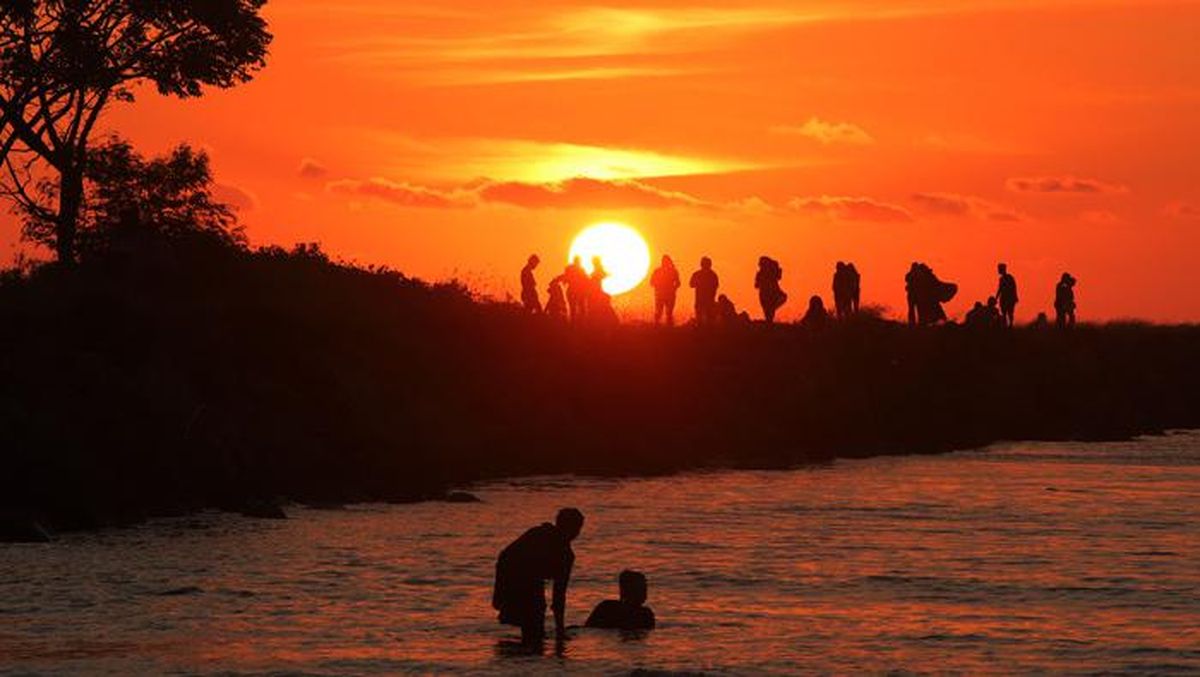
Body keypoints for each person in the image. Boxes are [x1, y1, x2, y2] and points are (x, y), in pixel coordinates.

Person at [493, 508, 585, 645]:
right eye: (576, 528)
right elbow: (505, 557)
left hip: (526, 584)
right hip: (521, 584)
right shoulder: (541, 537)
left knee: (532, 633)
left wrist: (560, 629)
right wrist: (499, 592)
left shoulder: (542, 537)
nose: (577, 533)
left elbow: (558, 596)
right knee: (533, 631)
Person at [584, 570, 656, 631]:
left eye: (644, 588)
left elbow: (588, 628)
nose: (645, 592)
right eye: (641, 588)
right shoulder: (644, 614)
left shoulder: (606, 606)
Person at [650, 255, 681, 326]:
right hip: (663, 294)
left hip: (667, 294)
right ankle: (658, 327)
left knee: (668, 313)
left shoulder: (672, 271)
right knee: (660, 312)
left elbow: (678, 283)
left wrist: (673, 288)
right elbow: (652, 282)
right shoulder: (660, 271)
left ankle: (665, 328)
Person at [754, 256, 787, 324]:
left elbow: (756, 285)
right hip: (771, 293)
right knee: (769, 312)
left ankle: (769, 325)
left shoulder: (762, 273)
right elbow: (756, 285)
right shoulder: (768, 272)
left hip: (766, 294)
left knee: (768, 311)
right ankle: (769, 324)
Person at [690, 257, 719, 326]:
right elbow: (691, 284)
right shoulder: (712, 275)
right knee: (702, 320)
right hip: (702, 300)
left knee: (709, 320)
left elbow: (715, 286)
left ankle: (705, 333)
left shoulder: (711, 275)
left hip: (707, 300)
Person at [562, 257, 589, 323]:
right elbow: (586, 280)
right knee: (580, 310)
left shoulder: (570, 268)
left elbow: (565, 279)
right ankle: (580, 325)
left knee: (575, 310)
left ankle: (576, 325)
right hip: (577, 292)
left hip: (575, 291)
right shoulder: (581, 270)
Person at [996, 263, 1018, 328]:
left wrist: (1015, 297)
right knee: (1004, 313)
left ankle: (1010, 325)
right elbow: (1000, 289)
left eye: (999, 269)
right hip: (1003, 298)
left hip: (1009, 298)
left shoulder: (1010, 277)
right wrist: (996, 297)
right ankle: (1005, 326)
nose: (998, 270)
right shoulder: (1001, 279)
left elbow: (1014, 288)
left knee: (1010, 313)